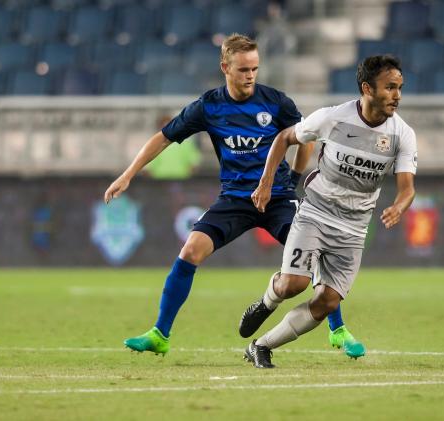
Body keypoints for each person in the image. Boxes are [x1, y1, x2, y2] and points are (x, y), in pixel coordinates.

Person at [104, 33, 364, 358]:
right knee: (190, 251)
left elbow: (305, 139)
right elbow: (164, 137)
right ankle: (160, 334)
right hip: (235, 200)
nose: (250, 76)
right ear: (225, 67)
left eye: (254, 68)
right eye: (243, 69)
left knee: (314, 256)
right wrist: (128, 174)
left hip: (277, 198)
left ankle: (338, 330)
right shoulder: (209, 106)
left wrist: (294, 179)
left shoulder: (275, 102)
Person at [239, 55, 417, 368]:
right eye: (390, 87)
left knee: (326, 303)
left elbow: (407, 187)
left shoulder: (402, 134)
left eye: (400, 88)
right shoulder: (332, 117)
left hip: (353, 228)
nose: (397, 95)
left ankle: (261, 346)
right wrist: (266, 182)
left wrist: (399, 206)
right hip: (316, 214)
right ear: (367, 88)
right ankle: (267, 301)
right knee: (293, 285)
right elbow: (284, 138)